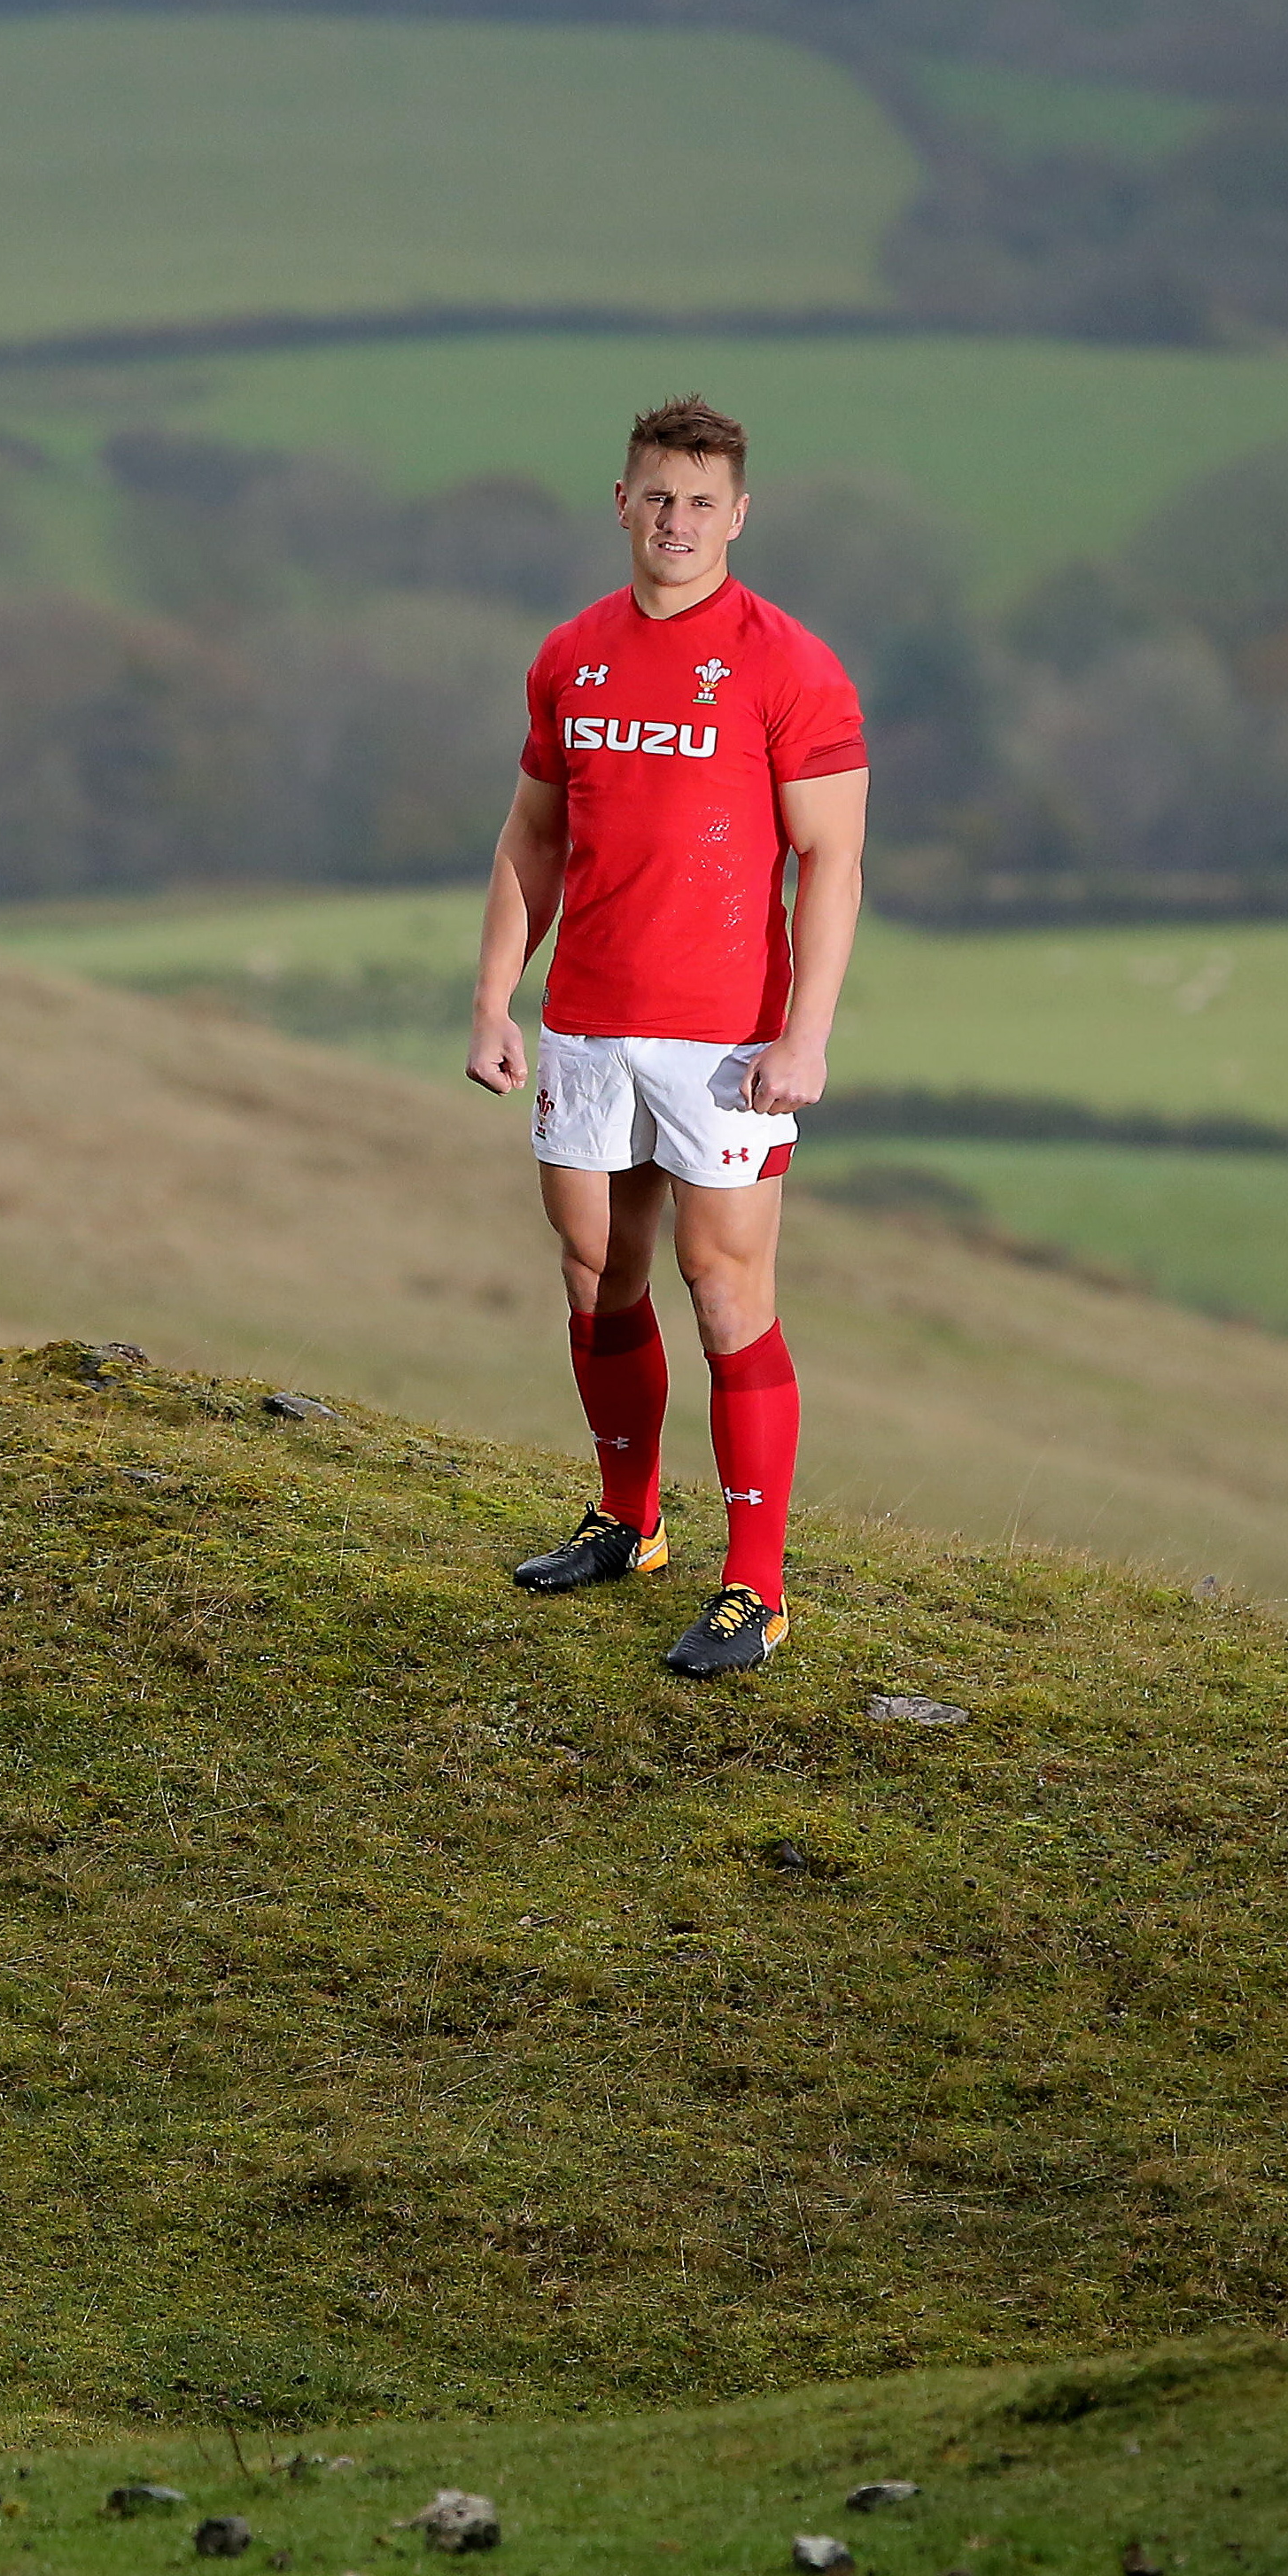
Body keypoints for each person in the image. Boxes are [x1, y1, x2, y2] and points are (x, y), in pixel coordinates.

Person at [465, 396, 868, 1679]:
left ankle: (756, 1585)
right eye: (656, 495)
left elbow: (834, 860)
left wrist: (804, 1037)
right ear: (622, 502)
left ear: (738, 515)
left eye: (702, 501)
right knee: (595, 1266)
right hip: (587, 1017)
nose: (677, 520)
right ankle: (626, 1520)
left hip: (726, 1039)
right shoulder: (570, 655)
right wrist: (494, 996)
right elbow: (532, 838)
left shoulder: (791, 664)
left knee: (722, 1282)